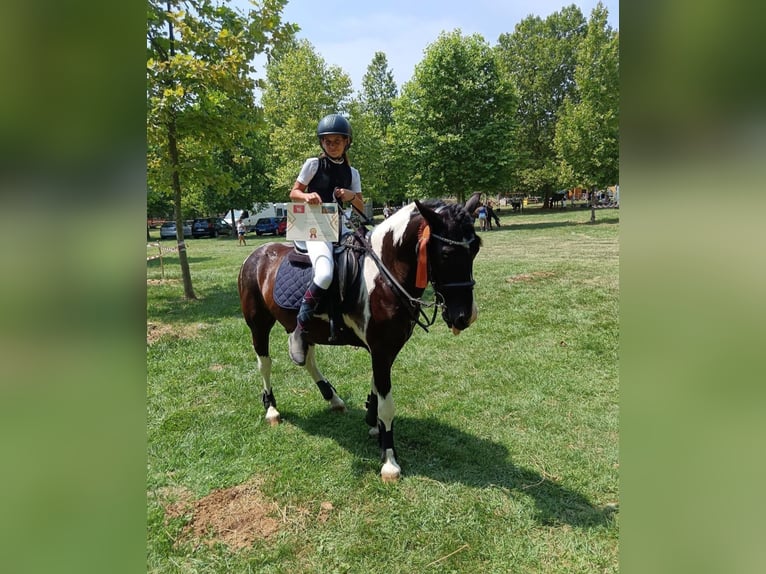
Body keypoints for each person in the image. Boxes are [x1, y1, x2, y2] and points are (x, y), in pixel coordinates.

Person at [287, 114, 365, 366]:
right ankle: (300, 329)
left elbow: (361, 207)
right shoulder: (312, 165)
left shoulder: (352, 172)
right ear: (322, 144)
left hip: (340, 225)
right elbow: (293, 191)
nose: (332, 145)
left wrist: (352, 196)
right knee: (324, 273)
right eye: (327, 142)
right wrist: (305, 197)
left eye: (337, 142)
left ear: (346, 143)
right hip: (313, 223)